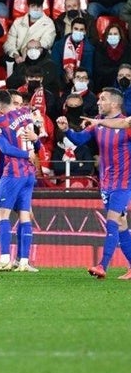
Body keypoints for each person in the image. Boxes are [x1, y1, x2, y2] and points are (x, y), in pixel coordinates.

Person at [62, 88, 131, 279]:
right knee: (121, 224)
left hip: (124, 183)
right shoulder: (97, 124)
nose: (98, 102)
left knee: (112, 221)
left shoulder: (126, 123)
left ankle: (102, 266)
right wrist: (66, 130)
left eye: (103, 99)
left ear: (115, 104)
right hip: (106, 183)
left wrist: (99, 121)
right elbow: (80, 139)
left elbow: (124, 122)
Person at [0, 90, 39, 272]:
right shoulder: (23, 114)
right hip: (1, 174)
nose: (19, 105)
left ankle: (14, 259)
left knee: (9, 214)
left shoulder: (2, 120)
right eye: (16, 102)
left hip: (11, 172)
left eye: (20, 102)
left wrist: (32, 146)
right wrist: (35, 143)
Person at [3, 0, 55, 75]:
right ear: (28, 7)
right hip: (17, 54)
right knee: (6, 58)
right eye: (33, 6)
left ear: (42, 7)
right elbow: (9, 42)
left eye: (39, 6)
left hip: (36, 53)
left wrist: (31, 49)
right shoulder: (18, 22)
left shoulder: (49, 23)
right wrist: (16, 55)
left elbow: (47, 42)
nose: (36, 9)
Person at [51, 18, 95, 86]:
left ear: (85, 32)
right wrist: (64, 75)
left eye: (81, 30)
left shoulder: (90, 48)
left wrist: (77, 78)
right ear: (71, 30)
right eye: (76, 29)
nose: (78, 31)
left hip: (81, 81)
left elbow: (89, 70)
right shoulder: (59, 45)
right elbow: (55, 65)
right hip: (63, 80)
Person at [93, 24, 131, 92]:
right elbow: (99, 69)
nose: (112, 36)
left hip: (124, 81)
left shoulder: (128, 49)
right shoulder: (100, 48)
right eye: (110, 34)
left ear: (120, 36)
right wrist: (118, 70)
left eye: (115, 34)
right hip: (104, 82)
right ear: (106, 36)